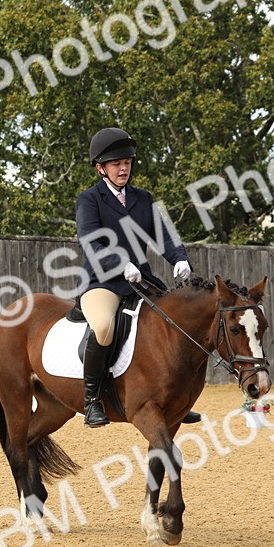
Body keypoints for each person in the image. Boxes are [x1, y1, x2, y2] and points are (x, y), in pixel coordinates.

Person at [75, 127, 196, 428]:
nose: (123, 168)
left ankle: (175, 399)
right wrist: (120, 263)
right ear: (100, 168)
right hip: (102, 281)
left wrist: (179, 258)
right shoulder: (90, 200)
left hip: (140, 281)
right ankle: (92, 400)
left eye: (127, 162)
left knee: (175, 322)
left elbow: (164, 235)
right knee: (104, 327)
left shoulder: (143, 199)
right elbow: (91, 243)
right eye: (116, 164)